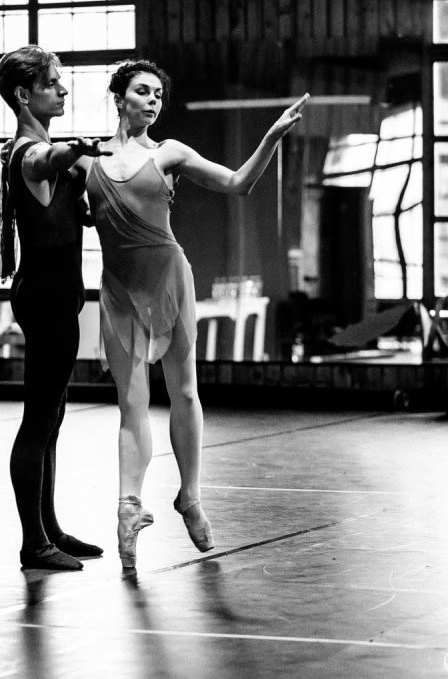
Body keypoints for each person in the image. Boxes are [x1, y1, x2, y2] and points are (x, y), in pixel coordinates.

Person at [75, 59, 309, 569]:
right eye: (143, 91)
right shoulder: (84, 161)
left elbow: (236, 183)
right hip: (118, 291)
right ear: (119, 98)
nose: (154, 100)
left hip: (170, 282)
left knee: (183, 392)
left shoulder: (169, 153)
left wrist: (271, 136)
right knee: (131, 404)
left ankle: (190, 496)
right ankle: (128, 507)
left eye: (159, 93)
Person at [0, 44, 112, 572]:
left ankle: (49, 529)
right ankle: (32, 544)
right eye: (53, 84)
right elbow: (51, 159)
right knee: (40, 419)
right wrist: (74, 153)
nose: (63, 90)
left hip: (56, 291)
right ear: (25, 95)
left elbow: (63, 189)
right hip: (45, 293)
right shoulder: (30, 152)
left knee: (54, 416)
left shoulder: (29, 148)